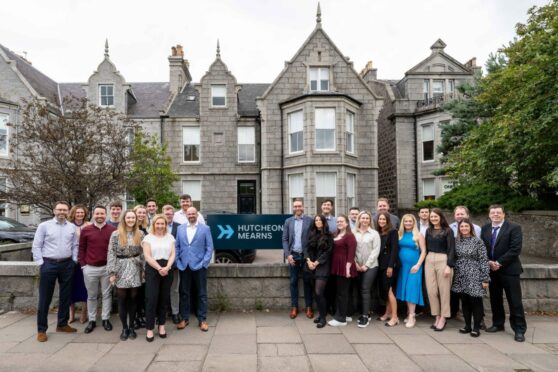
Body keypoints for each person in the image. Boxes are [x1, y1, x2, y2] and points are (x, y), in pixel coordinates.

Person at [32, 201, 79, 342]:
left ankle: (62, 324)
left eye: (64, 210)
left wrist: (74, 260)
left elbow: (75, 245)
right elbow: (36, 245)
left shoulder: (71, 227)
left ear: (68, 211)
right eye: (59, 209)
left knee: (66, 296)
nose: (61, 212)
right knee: (45, 298)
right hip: (49, 264)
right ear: (54, 210)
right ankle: (41, 330)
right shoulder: (44, 226)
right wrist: (41, 263)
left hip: (67, 264)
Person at [481, 205, 527, 342]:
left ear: (503, 214)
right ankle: (498, 324)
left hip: (509, 270)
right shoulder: (485, 228)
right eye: (493, 213)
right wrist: (489, 262)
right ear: (489, 215)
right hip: (492, 270)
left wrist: (499, 263)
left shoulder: (514, 228)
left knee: (515, 301)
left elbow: (515, 249)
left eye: (498, 212)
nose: (495, 214)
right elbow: (482, 247)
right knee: (495, 299)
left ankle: (519, 329)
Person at [107, 210, 145, 341]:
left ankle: (132, 327)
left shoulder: (140, 233)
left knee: (134, 297)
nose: (130, 220)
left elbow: (143, 252)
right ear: (124, 219)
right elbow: (111, 253)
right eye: (128, 217)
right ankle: (124, 328)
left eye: (133, 218)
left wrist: (144, 269)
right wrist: (112, 272)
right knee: (122, 297)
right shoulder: (115, 234)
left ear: (136, 219)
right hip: (120, 267)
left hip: (135, 267)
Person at [79, 205, 117, 334]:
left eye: (102, 213)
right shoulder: (86, 230)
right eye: (97, 214)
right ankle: (92, 320)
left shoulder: (112, 230)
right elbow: (81, 249)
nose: (100, 216)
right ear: (93, 215)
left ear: (105, 214)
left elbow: (115, 250)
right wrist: (83, 266)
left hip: (107, 268)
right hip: (90, 268)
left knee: (107, 295)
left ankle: (105, 318)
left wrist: (112, 268)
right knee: (91, 296)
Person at [176, 207, 214, 332]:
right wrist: (178, 262)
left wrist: (204, 263)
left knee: (202, 294)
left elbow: (209, 247)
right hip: (184, 266)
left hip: (199, 267)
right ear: (186, 215)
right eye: (189, 214)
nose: (191, 215)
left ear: (197, 215)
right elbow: (177, 247)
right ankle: (184, 318)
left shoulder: (205, 228)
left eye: (193, 213)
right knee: (184, 293)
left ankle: (202, 320)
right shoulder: (180, 229)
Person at [452, 219, 489, 338]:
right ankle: (467, 325)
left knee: (475, 301)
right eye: (461, 226)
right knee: (465, 301)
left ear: (471, 228)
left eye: (466, 226)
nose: (463, 228)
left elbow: (483, 260)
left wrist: (485, 278)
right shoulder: (456, 241)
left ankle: (476, 327)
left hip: (474, 274)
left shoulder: (478, 241)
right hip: (460, 273)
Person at [142, 214, 176, 341]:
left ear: (166, 225)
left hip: (167, 269)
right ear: (154, 224)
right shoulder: (148, 238)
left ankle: (162, 326)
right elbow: (147, 256)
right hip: (153, 269)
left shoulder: (170, 237)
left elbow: (173, 254)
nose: (160, 226)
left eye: (163, 223)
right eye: (158, 223)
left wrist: (167, 267)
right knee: (151, 299)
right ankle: (150, 328)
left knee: (163, 298)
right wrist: (159, 268)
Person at [424, 208, 455, 332]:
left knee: (444, 291)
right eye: (432, 217)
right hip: (429, 259)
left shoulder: (448, 231)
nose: (433, 218)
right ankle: (436, 315)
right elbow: (425, 247)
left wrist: (449, 265)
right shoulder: (428, 230)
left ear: (441, 217)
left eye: (436, 216)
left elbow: (452, 249)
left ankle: (443, 317)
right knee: (431, 291)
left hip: (443, 259)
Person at [282, 198, 313, 319]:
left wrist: (310, 257)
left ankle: (309, 307)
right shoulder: (288, 221)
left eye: (299, 206)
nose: (297, 208)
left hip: (306, 257)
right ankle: (294, 307)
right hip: (293, 255)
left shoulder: (309, 221)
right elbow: (284, 239)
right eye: (295, 206)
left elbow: (313, 238)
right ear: (293, 207)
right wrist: (288, 254)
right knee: (293, 281)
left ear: (303, 207)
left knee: (307, 282)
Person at [448, 205, 482, 319]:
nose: (459, 216)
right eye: (457, 214)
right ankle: (455, 313)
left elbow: (481, 250)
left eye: (462, 214)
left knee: (474, 295)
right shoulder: (449, 227)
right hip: (456, 265)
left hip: (473, 267)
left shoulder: (477, 228)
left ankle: (479, 319)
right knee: (457, 293)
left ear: (467, 215)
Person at [395, 214, 426, 328]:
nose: (408, 223)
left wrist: (418, 265)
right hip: (402, 267)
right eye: (406, 221)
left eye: (410, 221)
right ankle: (408, 313)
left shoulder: (418, 235)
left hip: (414, 267)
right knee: (405, 288)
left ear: (414, 223)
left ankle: (412, 316)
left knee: (411, 289)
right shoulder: (399, 234)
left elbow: (423, 251)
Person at [328, 215, 357, 327]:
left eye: (342, 221)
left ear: (347, 223)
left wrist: (348, 269)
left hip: (344, 267)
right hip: (337, 266)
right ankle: (347, 314)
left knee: (342, 294)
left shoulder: (350, 236)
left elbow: (351, 253)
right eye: (338, 221)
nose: (339, 223)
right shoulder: (336, 234)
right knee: (342, 292)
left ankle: (341, 319)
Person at [353, 211, 381, 328]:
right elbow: (351, 250)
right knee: (360, 290)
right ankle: (365, 312)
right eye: (362, 218)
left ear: (370, 220)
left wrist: (366, 265)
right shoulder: (354, 233)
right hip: (357, 266)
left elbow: (376, 251)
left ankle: (365, 316)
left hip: (371, 266)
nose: (364, 220)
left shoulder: (374, 234)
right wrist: (356, 264)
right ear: (359, 219)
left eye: (367, 218)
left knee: (365, 289)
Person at [305, 215, 333, 328]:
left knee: (318, 292)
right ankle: (322, 313)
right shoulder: (311, 234)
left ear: (323, 222)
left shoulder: (329, 235)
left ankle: (323, 318)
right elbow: (305, 248)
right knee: (316, 294)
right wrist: (308, 261)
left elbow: (328, 252)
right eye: (316, 220)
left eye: (320, 220)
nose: (317, 222)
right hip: (311, 265)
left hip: (323, 265)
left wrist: (316, 262)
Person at [68, 205, 91, 324]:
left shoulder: (89, 225)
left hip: (85, 260)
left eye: (82, 212)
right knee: (70, 287)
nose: (80, 214)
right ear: (73, 213)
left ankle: (83, 313)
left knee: (84, 287)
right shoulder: (68, 225)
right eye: (77, 212)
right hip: (71, 260)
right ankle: (71, 314)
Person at [376, 212, 400, 325]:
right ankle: (387, 313)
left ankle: (394, 317)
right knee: (386, 290)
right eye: (380, 219)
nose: (381, 221)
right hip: (381, 264)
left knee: (390, 291)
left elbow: (395, 250)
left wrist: (390, 266)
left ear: (388, 220)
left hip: (389, 265)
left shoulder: (393, 231)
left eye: (383, 219)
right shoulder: (379, 232)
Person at [163, 204, 182, 324]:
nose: (168, 215)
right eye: (166, 213)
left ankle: (175, 313)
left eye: (170, 214)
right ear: (163, 214)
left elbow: (181, 246)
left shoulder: (179, 227)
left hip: (174, 265)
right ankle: (162, 313)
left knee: (174, 290)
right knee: (161, 290)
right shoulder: (157, 226)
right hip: (160, 265)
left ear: (173, 215)